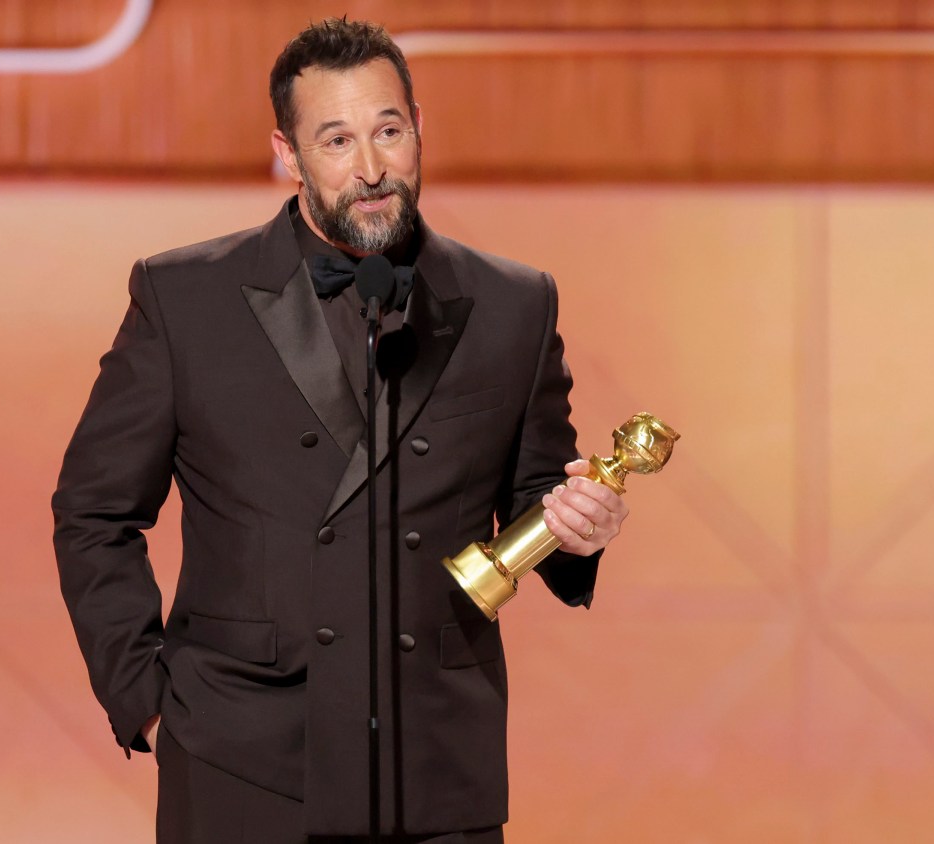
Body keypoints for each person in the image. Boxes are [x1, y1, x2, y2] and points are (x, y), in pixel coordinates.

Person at [52, 17, 628, 843]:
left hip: (436, 771)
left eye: (388, 132)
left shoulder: (515, 306)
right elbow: (94, 514)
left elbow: (537, 496)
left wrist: (580, 529)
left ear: (419, 129)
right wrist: (147, 703)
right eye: (335, 140)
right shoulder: (184, 301)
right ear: (286, 155)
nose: (370, 170)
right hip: (240, 768)